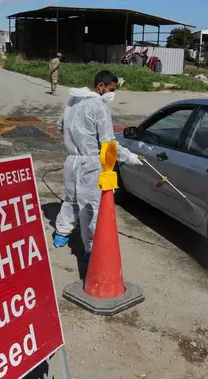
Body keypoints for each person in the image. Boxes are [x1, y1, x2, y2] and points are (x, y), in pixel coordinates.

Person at [52, 70, 144, 262]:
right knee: (89, 207)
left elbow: (60, 125)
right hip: (90, 164)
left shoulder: (74, 101)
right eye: (111, 89)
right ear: (101, 86)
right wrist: (129, 157)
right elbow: (108, 143)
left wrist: (75, 139)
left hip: (72, 160)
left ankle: (61, 234)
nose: (112, 94)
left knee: (71, 200)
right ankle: (90, 249)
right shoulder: (99, 107)